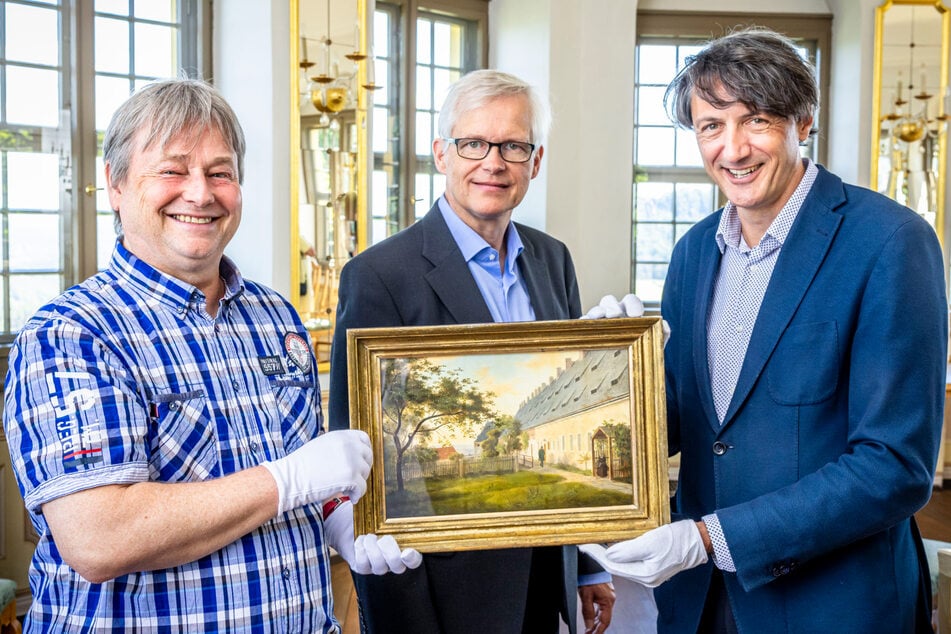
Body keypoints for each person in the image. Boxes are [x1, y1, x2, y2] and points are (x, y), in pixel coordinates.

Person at [3, 78, 419, 633]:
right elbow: (99, 537)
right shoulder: (71, 335)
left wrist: (342, 519)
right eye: (173, 170)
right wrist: (287, 481)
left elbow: (302, 485)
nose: (200, 193)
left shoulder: (275, 318)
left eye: (220, 172)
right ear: (117, 185)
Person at [580, 27, 947, 632]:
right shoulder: (694, 251)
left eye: (755, 121)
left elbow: (894, 466)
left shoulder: (890, 241)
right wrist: (610, 375)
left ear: (802, 121)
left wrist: (708, 539)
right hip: (699, 604)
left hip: (832, 604)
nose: (733, 149)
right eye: (710, 126)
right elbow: (675, 422)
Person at [329, 69, 616, 634]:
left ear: (535, 161)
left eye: (513, 145)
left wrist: (584, 564)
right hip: (437, 583)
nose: (494, 161)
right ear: (442, 153)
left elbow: (574, 462)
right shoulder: (379, 275)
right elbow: (355, 450)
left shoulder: (553, 260)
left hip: (541, 571)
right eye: (474, 144)